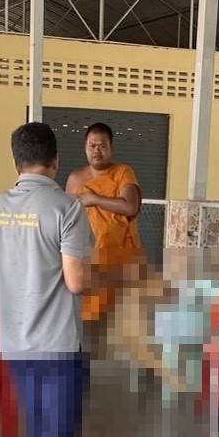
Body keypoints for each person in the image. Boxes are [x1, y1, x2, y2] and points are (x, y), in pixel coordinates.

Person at [0, 123, 93, 437]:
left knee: (38, 428)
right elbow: (77, 282)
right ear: (56, 160)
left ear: (17, 163)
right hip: (56, 344)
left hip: (14, 340)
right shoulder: (67, 209)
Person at [64, 123, 143, 323]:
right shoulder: (75, 178)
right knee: (88, 319)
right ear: (85, 147)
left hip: (118, 260)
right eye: (92, 146)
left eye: (102, 146)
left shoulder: (123, 172)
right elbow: (65, 219)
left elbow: (130, 206)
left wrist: (94, 199)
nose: (96, 151)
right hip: (86, 260)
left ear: (111, 148)